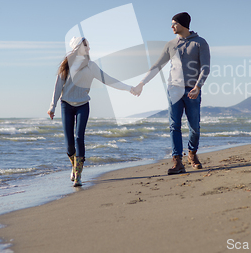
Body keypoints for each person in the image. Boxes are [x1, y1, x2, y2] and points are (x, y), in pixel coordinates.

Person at [48, 36, 137, 186]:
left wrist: (129, 88)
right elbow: (58, 87)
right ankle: (74, 166)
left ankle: (78, 175)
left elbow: (109, 79)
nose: (89, 48)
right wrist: (52, 106)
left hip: (83, 104)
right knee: (69, 144)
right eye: (85, 45)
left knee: (78, 137)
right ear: (77, 47)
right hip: (66, 105)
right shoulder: (66, 65)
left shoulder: (91, 66)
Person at [132, 12, 210, 175]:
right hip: (173, 90)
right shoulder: (170, 45)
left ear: (183, 24)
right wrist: (142, 83)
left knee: (194, 127)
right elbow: (157, 65)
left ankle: (192, 153)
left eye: (174, 23)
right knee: (174, 126)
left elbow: (205, 68)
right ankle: (177, 161)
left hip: (192, 90)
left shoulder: (200, 43)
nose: (171, 26)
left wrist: (198, 86)